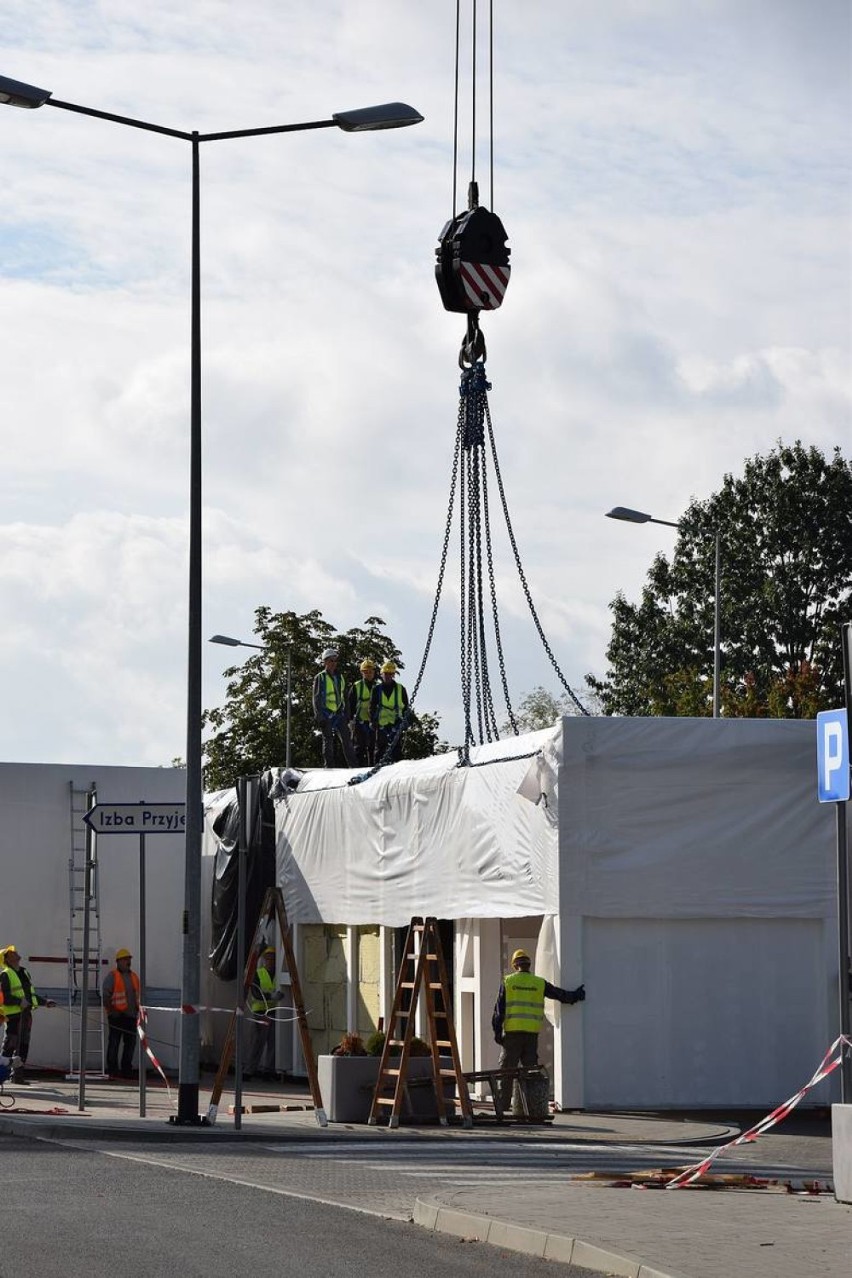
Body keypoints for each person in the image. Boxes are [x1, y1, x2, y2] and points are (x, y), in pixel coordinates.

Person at [491, 948, 585, 1116]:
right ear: (529, 965)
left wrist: (497, 1033)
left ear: (515, 965)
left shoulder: (508, 982)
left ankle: (503, 1107)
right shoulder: (539, 983)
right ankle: (531, 1107)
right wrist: (575, 996)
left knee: (506, 1071)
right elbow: (559, 994)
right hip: (531, 1036)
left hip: (512, 1035)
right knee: (530, 1073)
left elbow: (499, 1011)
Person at [0, 944, 56, 1085]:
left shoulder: (24, 972)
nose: (15, 952)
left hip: (25, 1015)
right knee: (10, 1045)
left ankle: (17, 1076)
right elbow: (3, 997)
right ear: (6, 959)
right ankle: (1, 1076)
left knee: (23, 1045)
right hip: (13, 1016)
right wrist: (19, 1001)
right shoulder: (5, 974)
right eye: (11, 952)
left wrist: (45, 1002)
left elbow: (30, 995)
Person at [312, 647, 355, 768]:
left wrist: (347, 714)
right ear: (325, 661)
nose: (334, 663)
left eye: (335, 661)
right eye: (331, 660)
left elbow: (344, 697)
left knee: (347, 741)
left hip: (339, 714)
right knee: (328, 741)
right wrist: (319, 716)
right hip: (326, 714)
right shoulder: (320, 677)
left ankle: (353, 767)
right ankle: (329, 767)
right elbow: (316, 698)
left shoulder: (340, 677)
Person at [102, 947, 140, 1079]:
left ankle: (126, 1070)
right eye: (125, 959)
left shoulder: (134, 977)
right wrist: (112, 1011)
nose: (128, 962)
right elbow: (105, 995)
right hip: (116, 1017)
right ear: (118, 961)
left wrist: (138, 1011)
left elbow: (137, 996)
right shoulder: (112, 976)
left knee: (130, 1044)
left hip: (130, 1016)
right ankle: (113, 1070)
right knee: (114, 1043)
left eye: (129, 959)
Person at [245, 946, 281, 1080]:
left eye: (273, 958)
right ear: (264, 960)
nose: (271, 961)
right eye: (268, 958)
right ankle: (249, 1071)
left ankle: (268, 1071)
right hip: (260, 1013)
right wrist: (271, 996)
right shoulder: (258, 973)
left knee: (273, 1043)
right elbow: (255, 993)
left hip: (273, 1012)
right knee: (257, 1043)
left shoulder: (278, 975)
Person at [370, 660, 409, 763]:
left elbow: (406, 707)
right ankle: (376, 770)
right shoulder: (377, 690)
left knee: (396, 749)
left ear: (393, 675)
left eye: (390, 674)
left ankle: (399, 771)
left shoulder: (401, 689)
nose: (387, 676)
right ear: (382, 674)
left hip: (396, 723)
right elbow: (372, 706)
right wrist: (373, 720)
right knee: (380, 750)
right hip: (382, 724)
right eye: (385, 674)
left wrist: (406, 721)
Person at [348, 657, 380, 766]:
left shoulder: (377, 687)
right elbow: (351, 704)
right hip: (359, 722)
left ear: (374, 672)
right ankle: (358, 769)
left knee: (372, 747)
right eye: (366, 672)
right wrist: (350, 720)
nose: (368, 674)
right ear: (362, 673)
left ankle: (372, 768)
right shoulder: (357, 686)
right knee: (359, 748)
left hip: (373, 722)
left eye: (370, 671)